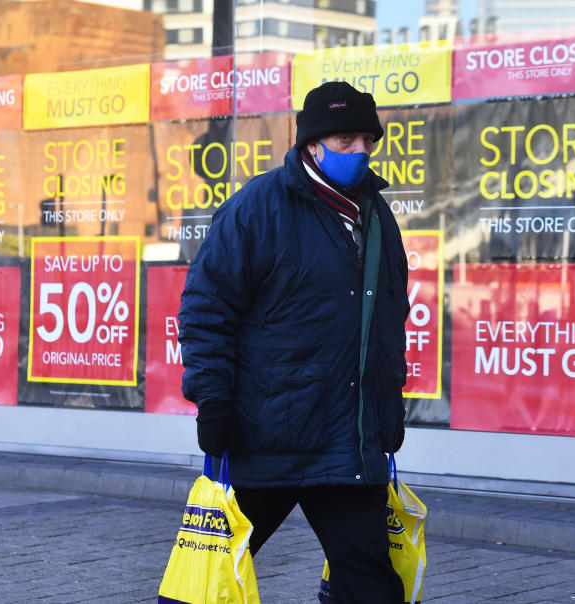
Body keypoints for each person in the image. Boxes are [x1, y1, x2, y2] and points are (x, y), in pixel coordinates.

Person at [178, 80, 409, 604]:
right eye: (345, 141)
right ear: (311, 145)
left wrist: (386, 410)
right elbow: (206, 310)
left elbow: (388, 320)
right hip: (266, 438)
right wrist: (212, 400)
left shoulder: (376, 215)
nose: (360, 152)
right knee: (208, 585)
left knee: (371, 587)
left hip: (345, 445)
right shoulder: (259, 207)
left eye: (366, 141)